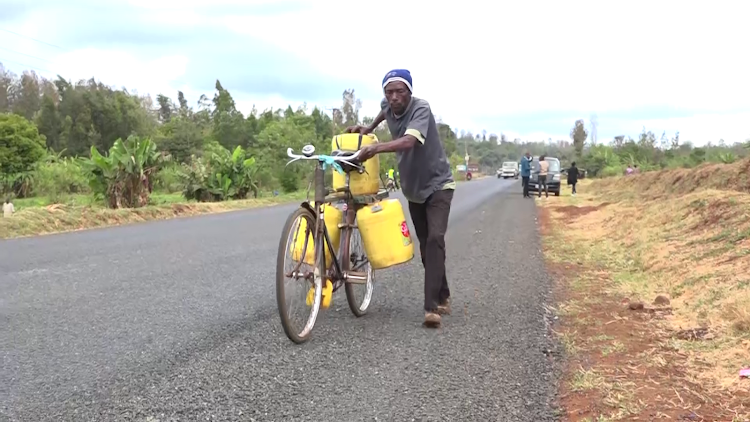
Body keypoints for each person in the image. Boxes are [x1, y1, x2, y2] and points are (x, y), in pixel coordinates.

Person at [345, 68, 455, 328]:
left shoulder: (421, 109)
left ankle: (431, 309)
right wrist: (370, 126)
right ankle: (444, 294)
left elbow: (408, 142)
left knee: (436, 238)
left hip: (439, 184)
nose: (394, 97)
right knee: (427, 244)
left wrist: (375, 147)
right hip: (413, 190)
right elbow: (385, 111)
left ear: (410, 92)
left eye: (399, 91)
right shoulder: (388, 105)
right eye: (389, 91)